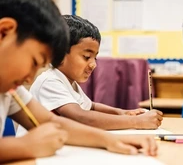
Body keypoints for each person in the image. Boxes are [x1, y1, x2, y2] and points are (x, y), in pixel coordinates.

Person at [0, 0, 157, 163]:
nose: (29, 77)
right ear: (4, 32)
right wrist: (25, 146)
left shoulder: (9, 87)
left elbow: (53, 122)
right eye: (34, 61)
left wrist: (110, 140)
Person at [29, 15, 163, 130]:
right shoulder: (50, 81)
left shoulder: (69, 83)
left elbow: (91, 107)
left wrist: (122, 113)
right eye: (87, 57)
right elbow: (80, 117)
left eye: (95, 57)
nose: (94, 64)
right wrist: (136, 122)